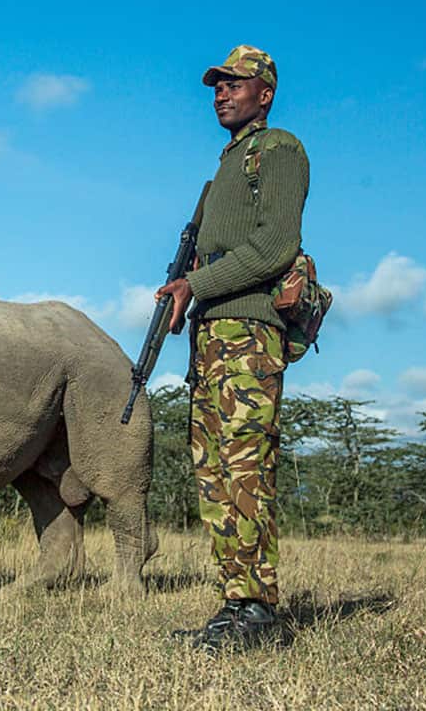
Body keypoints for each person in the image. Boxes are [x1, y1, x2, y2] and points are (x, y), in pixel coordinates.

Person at [156, 45, 309, 650]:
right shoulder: (226, 163)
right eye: (217, 85)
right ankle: (235, 603)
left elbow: (275, 247)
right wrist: (187, 293)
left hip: (249, 333)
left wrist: (197, 285)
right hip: (212, 335)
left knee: (246, 466)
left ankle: (260, 612)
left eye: (234, 83)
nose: (221, 92)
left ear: (264, 94)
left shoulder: (279, 149)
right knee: (213, 470)